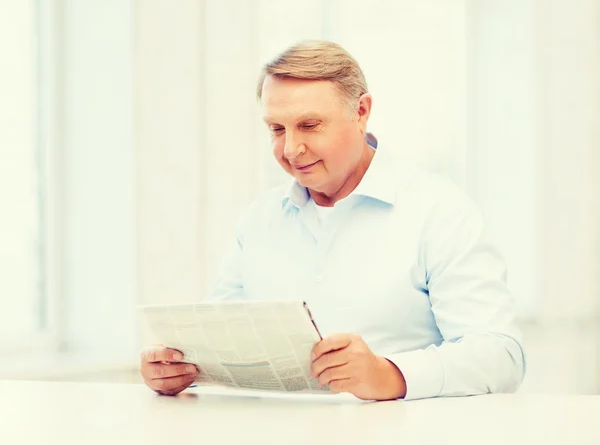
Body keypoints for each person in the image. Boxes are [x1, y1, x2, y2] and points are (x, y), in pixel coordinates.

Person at [140, 40, 526, 400]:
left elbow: (501, 354)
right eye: (277, 129)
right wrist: (176, 365)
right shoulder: (261, 218)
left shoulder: (439, 211)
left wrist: (389, 373)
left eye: (309, 125)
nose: (291, 149)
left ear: (361, 112)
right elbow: (215, 334)